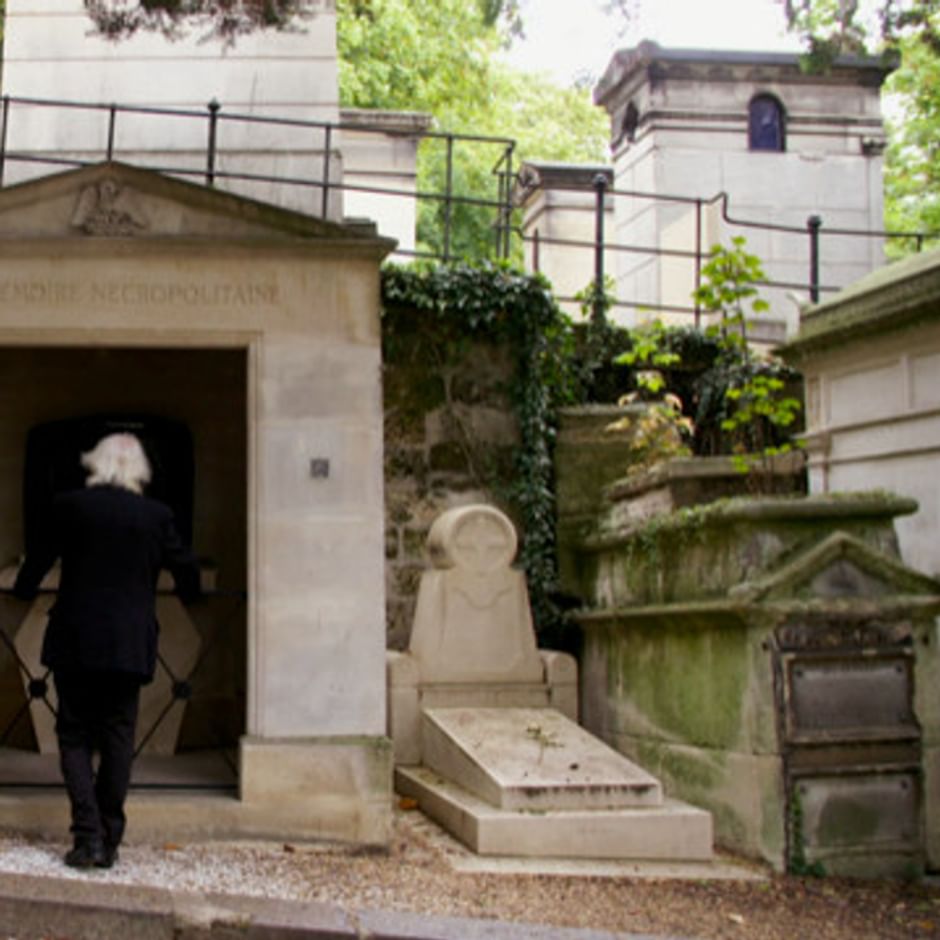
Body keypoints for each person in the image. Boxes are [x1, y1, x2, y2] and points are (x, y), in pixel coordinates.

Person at [13, 432, 200, 869]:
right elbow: (185, 564)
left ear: (95, 463)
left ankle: (88, 837)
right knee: (118, 735)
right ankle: (109, 838)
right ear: (140, 471)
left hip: (76, 636)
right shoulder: (156, 515)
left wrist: (23, 591)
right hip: (128, 641)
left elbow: (38, 559)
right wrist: (192, 594)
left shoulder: (70, 506)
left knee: (74, 733)